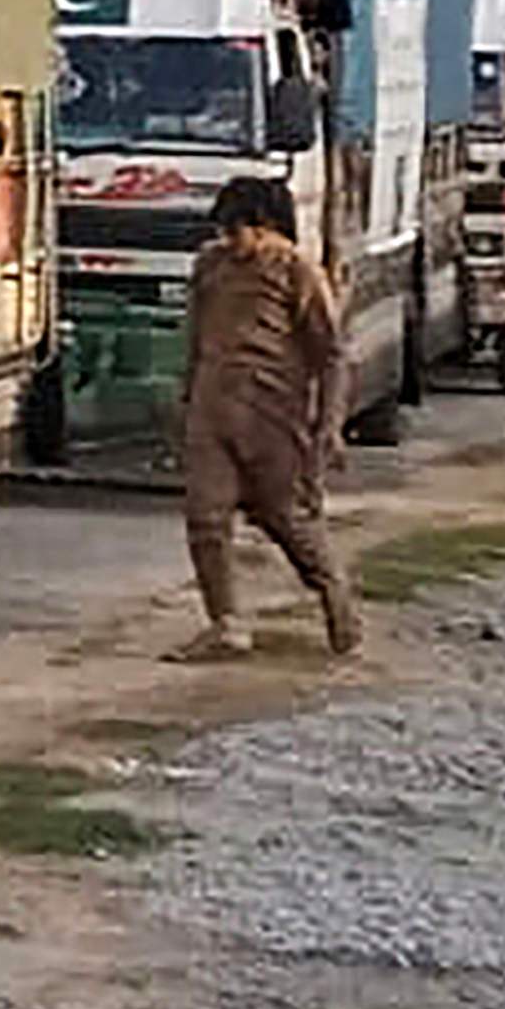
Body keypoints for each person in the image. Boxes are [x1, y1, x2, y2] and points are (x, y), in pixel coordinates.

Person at [174, 173, 359, 660]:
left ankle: (333, 592)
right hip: (212, 410)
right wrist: (186, 398)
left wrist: (330, 425)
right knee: (205, 519)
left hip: (273, 415)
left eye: (239, 230)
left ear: (266, 226)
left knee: (285, 517)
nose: (232, 241)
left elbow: (332, 355)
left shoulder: (297, 271)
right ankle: (226, 624)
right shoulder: (210, 266)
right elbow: (195, 337)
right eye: (224, 231)